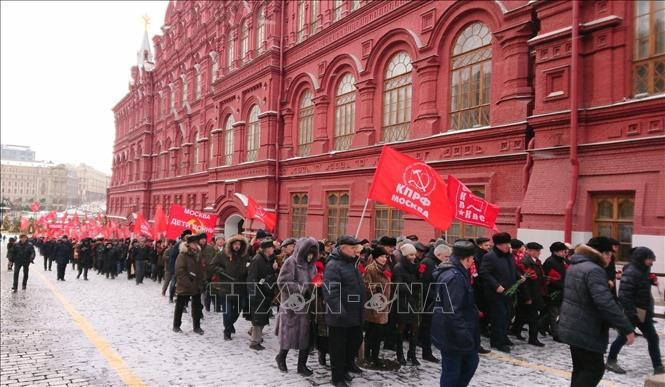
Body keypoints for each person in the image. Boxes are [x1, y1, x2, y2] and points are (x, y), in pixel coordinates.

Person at [558, 236, 635, 387]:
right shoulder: (594, 270)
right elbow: (605, 303)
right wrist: (626, 327)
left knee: (581, 368)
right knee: (594, 369)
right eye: (609, 254)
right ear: (601, 253)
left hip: (573, 325)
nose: (610, 258)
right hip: (587, 327)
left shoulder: (577, 264)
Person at [606, 247, 664, 375]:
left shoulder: (643, 269)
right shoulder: (631, 272)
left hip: (643, 312)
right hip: (634, 313)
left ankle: (658, 367)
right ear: (642, 259)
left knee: (653, 339)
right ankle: (611, 360)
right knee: (623, 337)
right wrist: (632, 314)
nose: (651, 262)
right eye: (649, 259)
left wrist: (650, 281)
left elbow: (640, 284)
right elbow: (625, 296)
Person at [432, 240, 480, 387]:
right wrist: (465, 335)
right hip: (454, 333)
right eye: (472, 259)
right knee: (453, 371)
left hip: (454, 330)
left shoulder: (456, 271)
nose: (472, 262)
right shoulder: (454, 276)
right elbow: (453, 310)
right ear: (466, 258)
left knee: (466, 365)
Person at [323, 235, 365, 387]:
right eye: (353, 248)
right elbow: (330, 290)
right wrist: (338, 309)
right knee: (338, 349)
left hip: (354, 313)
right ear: (343, 248)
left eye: (356, 248)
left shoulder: (352, 263)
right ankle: (337, 378)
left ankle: (346, 368)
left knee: (354, 342)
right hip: (340, 315)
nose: (356, 251)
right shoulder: (334, 265)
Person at [275, 237, 318, 376]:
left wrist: (318, 287)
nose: (310, 256)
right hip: (292, 306)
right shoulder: (291, 262)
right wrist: (302, 289)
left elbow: (315, 280)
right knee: (289, 335)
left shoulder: (313, 266)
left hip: (308, 307)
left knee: (306, 337)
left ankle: (302, 366)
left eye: (313, 254)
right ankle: (281, 357)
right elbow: (282, 282)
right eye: (308, 253)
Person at [480, 232, 519, 353]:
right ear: (498, 245)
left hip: (509, 291)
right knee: (499, 317)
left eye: (508, 243)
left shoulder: (509, 256)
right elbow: (484, 273)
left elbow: (514, 269)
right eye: (505, 244)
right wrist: (496, 285)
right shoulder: (490, 256)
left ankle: (503, 337)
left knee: (508, 315)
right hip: (496, 293)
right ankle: (497, 342)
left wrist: (519, 276)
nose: (508, 246)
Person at [210, 234, 250, 340]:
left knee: (237, 311)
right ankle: (227, 332)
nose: (237, 246)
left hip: (240, 288)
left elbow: (249, 267)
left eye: (239, 244)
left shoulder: (244, 256)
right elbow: (213, 265)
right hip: (226, 288)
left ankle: (229, 324)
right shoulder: (223, 254)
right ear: (231, 245)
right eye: (235, 244)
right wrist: (222, 272)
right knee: (227, 311)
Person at [362, 246, 392, 368]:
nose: (384, 259)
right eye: (381, 256)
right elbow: (366, 285)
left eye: (385, 256)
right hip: (374, 306)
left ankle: (374, 355)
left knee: (378, 333)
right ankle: (371, 356)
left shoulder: (386, 268)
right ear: (375, 257)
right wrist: (375, 288)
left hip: (384, 304)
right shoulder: (371, 268)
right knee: (373, 333)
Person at [393, 243, 422, 366]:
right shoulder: (399, 267)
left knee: (415, 328)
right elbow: (398, 285)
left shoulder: (416, 266)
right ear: (405, 255)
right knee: (401, 328)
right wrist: (413, 285)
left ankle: (412, 354)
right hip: (402, 301)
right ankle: (400, 355)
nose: (414, 257)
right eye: (411, 254)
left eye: (414, 254)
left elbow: (420, 283)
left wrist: (420, 276)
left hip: (414, 300)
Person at [513, 242, 546, 347]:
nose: (539, 253)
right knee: (533, 317)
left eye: (539, 250)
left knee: (522, 315)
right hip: (529, 294)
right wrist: (527, 297)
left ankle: (516, 331)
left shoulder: (536, 261)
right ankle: (533, 338)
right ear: (529, 251)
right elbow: (525, 282)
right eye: (537, 251)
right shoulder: (525, 262)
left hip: (536, 292)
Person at [247, 239, 278, 350]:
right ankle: (255, 342)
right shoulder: (257, 259)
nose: (273, 250)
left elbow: (269, 275)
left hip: (266, 292)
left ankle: (254, 332)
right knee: (258, 317)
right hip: (259, 292)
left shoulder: (269, 259)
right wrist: (253, 293)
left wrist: (275, 269)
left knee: (263, 317)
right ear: (267, 249)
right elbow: (251, 278)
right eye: (272, 248)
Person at [173, 233, 205, 335]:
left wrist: (201, 281)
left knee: (197, 307)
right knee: (180, 306)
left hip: (196, 285)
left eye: (197, 243)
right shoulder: (182, 255)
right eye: (194, 243)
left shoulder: (198, 254)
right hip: (185, 285)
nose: (196, 245)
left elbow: (200, 269)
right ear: (189, 244)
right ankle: (176, 326)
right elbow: (180, 271)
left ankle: (197, 327)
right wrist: (188, 283)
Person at [542, 241, 568, 341]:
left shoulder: (563, 261)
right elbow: (547, 278)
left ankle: (541, 325)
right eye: (561, 251)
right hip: (552, 291)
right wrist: (561, 285)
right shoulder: (549, 261)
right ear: (555, 252)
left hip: (562, 290)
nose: (564, 253)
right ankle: (556, 335)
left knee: (559, 313)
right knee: (553, 313)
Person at [198, 234, 217, 312]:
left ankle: (208, 306)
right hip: (199, 274)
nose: (203, 240)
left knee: (210, 291)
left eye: (204, 239)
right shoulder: (196, 248)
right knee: (200, 292)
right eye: (201, 239)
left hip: (209, 273)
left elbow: (215, 259)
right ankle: (199, 308)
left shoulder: (210, 248)